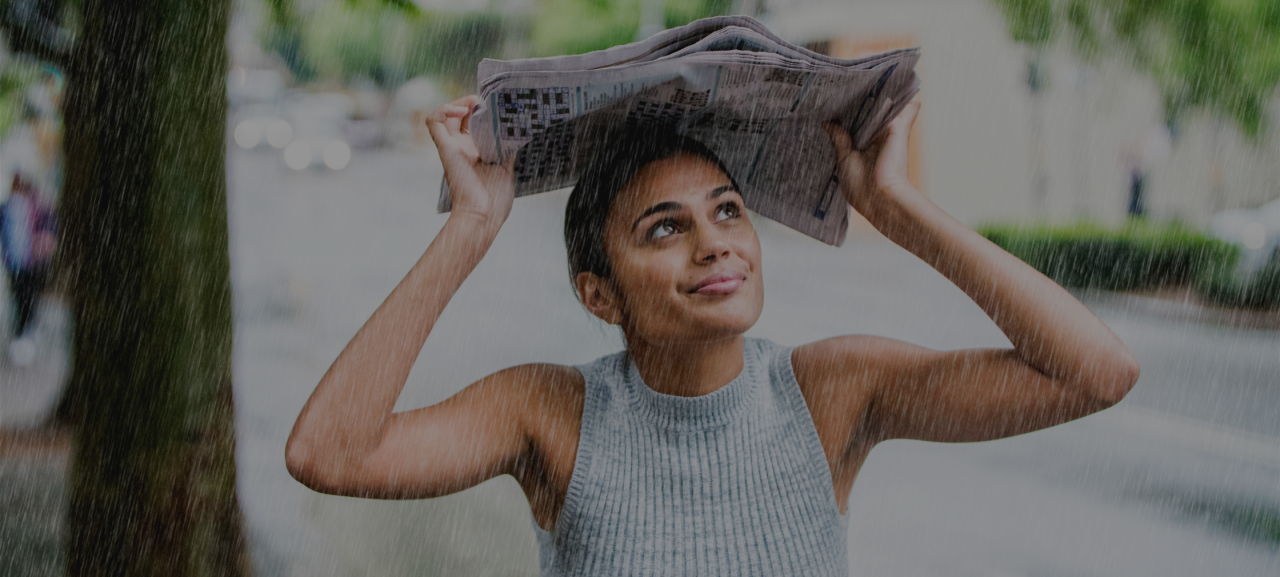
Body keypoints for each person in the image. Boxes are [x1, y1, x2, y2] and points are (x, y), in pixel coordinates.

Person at [286, 94, 1140, 575]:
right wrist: (470, 227)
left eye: (727, 210)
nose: (715, 241)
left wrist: (898, 210)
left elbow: (1095, 373)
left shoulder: (829, 390)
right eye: (663, 228)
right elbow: (330, 454)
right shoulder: (547, 410)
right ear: (599, 295)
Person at [1, 171, 57, 366]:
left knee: (31, 299)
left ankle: (29, 334)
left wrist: (44, 241)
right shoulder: (6, 207)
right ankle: (22, 336)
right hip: (15, 263)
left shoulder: (39, 207)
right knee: (19, 298)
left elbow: (50, 230)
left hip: (34, 263)